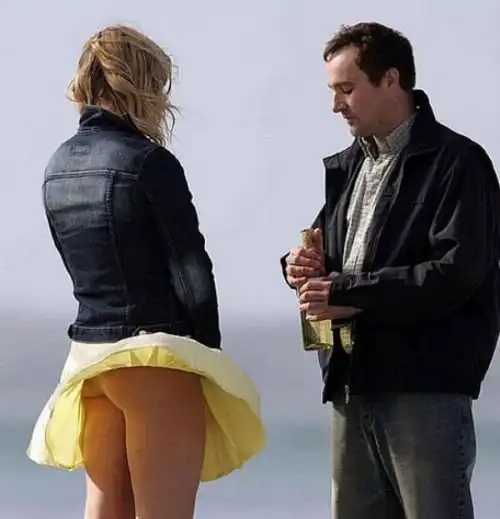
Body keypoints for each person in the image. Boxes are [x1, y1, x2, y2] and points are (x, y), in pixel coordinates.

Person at [27, 25, 266, 519]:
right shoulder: (150, 162)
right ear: (143, 84)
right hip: (154, 358)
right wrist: (207, 356)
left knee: (105, 510)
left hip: (90, 360)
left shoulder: (57, 165)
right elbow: (191, 270)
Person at [281, 22, 500, 519]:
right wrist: (296, 266)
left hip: (426, 388)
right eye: (333, 90)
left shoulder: (459, 163)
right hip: (351, 384)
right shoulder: (352, 167)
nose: (336, 105)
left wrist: (348, 294)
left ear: (391, 80)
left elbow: (456, 274)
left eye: (346, 88)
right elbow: (330, 260)